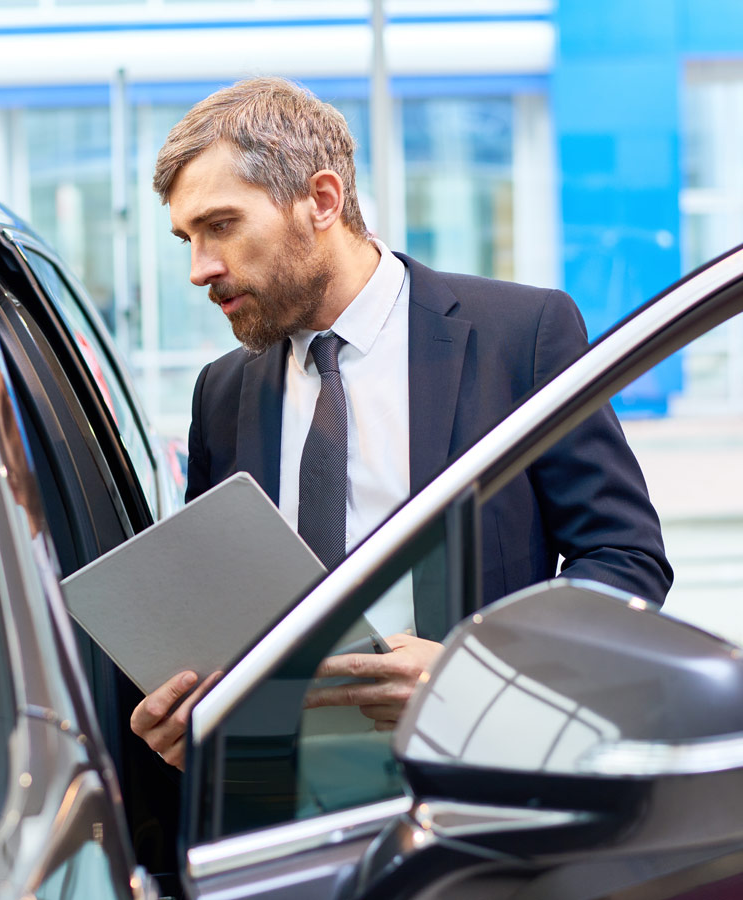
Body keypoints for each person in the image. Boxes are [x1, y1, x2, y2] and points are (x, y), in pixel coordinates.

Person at [131, 77, 672, 769]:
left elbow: (625, 558)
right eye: (187, 238)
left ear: (322, 200)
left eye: (221, 226)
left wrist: (477, 674)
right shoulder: (222, 391)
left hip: (483, 783)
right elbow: (215, 613)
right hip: (282, 793)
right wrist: (188, 718)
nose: (199, 269)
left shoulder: (521, 335)